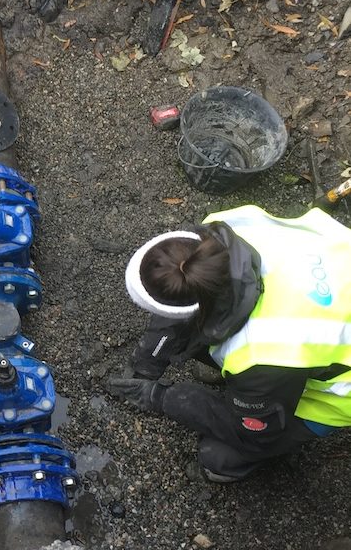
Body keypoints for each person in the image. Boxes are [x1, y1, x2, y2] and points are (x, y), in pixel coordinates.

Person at [108, 204, 351, 483]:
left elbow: (256, 434)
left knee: (218, 457)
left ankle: (248, 442)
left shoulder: (266, 352)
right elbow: (183, 295)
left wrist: (164, 398)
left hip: (338, 394)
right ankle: (248, 391)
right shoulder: (222, 228)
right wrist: (147, 362)